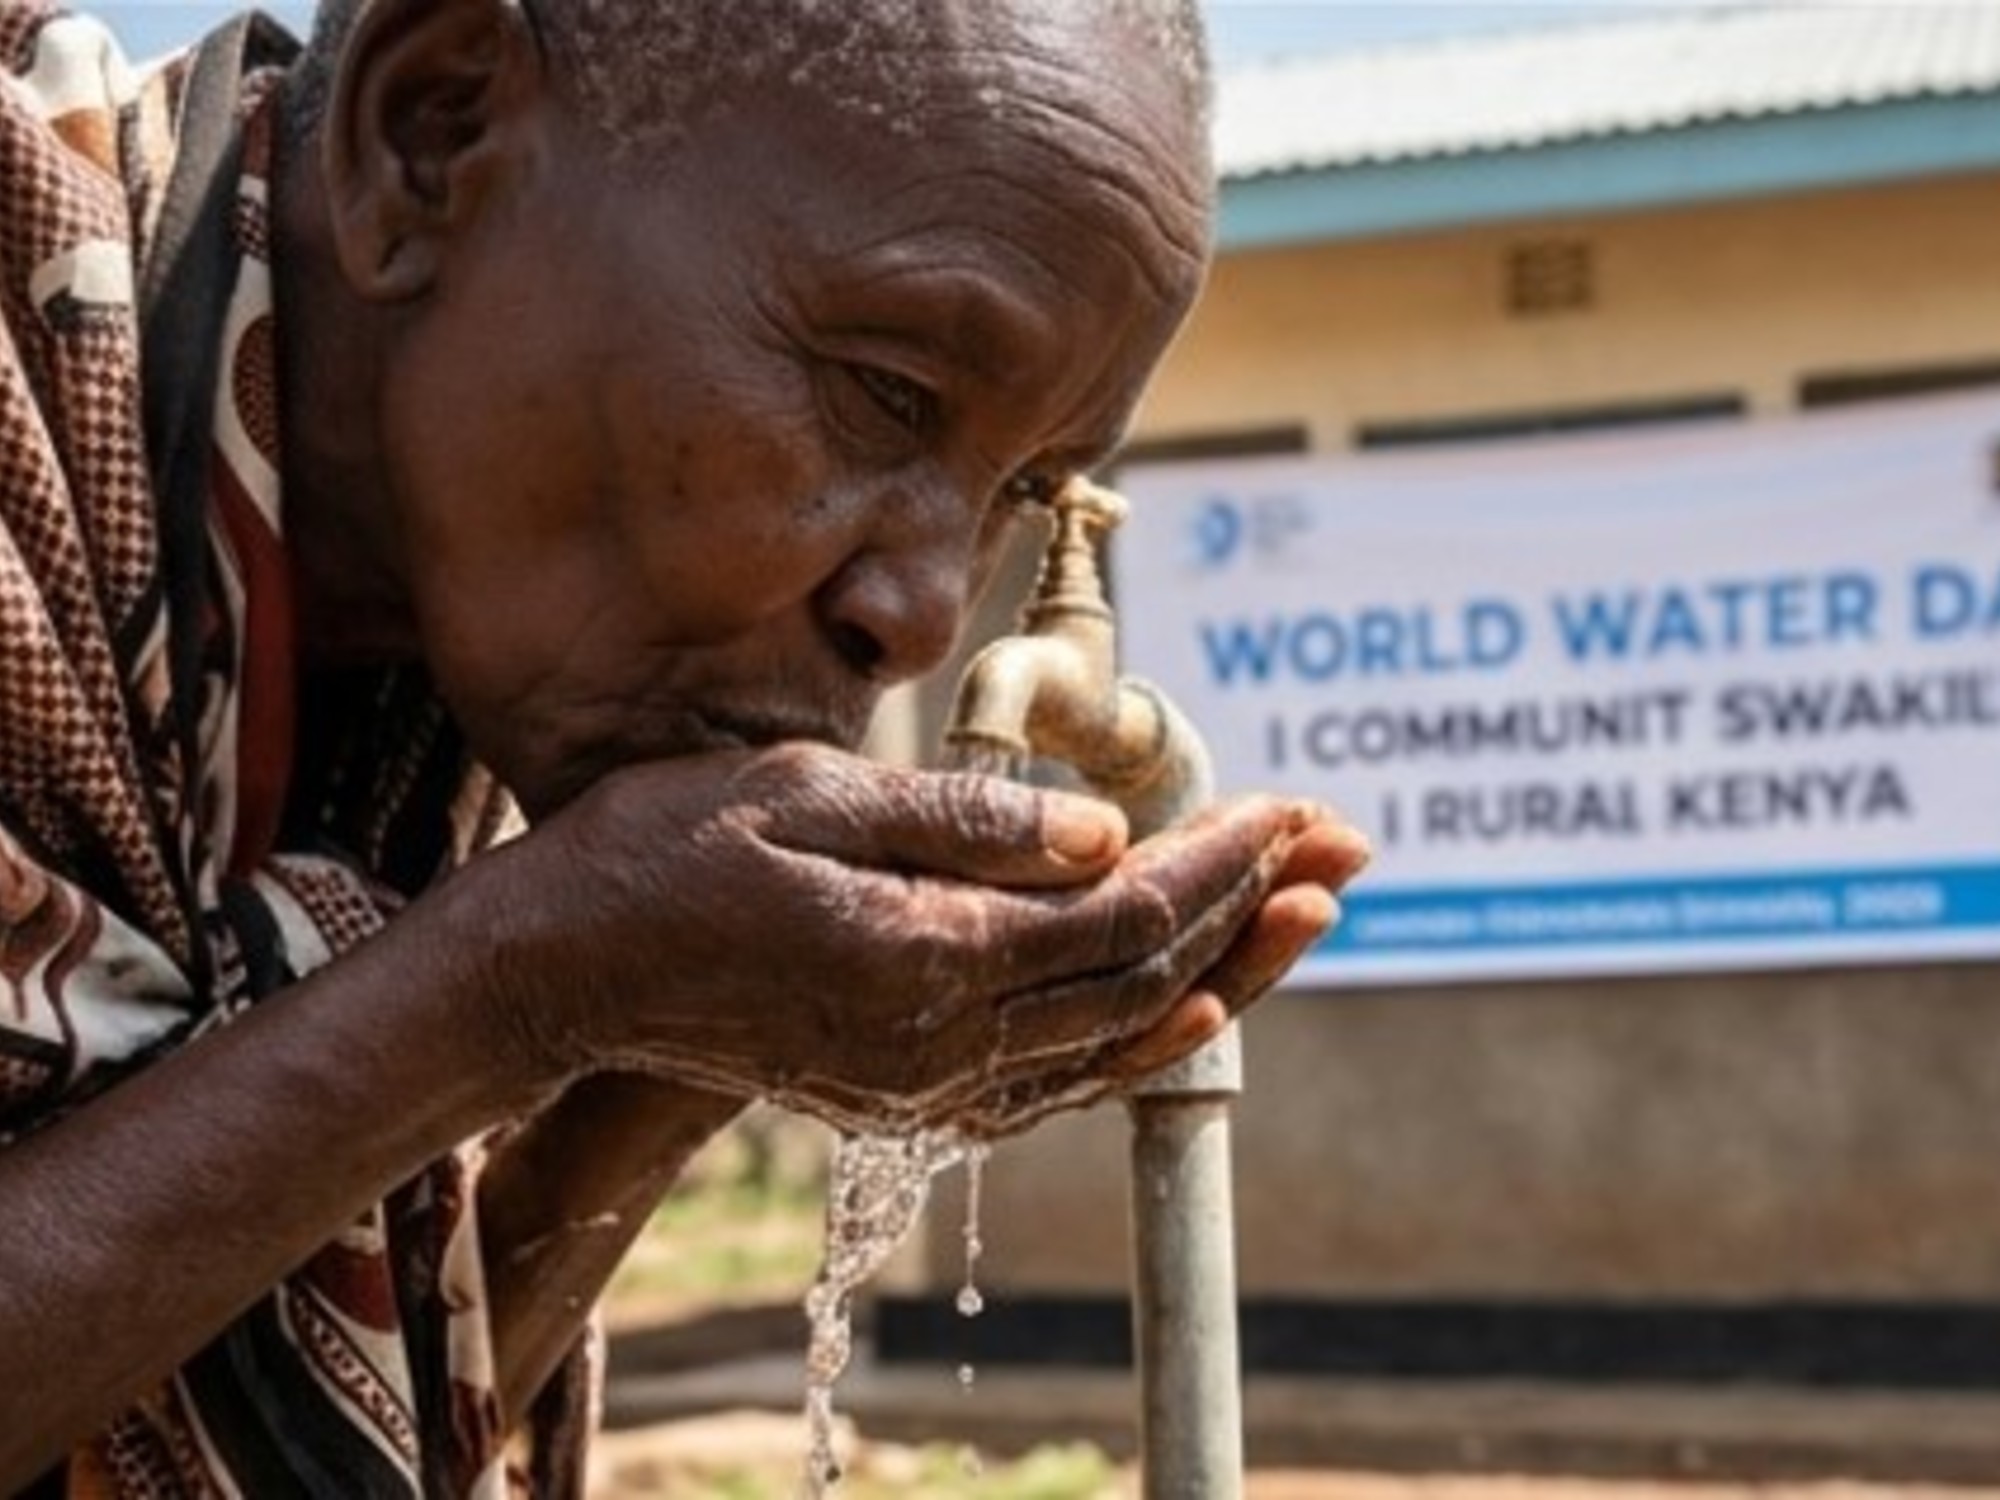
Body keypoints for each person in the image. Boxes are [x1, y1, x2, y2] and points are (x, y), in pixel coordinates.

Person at [0, 0, 1369, 1492]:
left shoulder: (407, 694)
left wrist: (663, 1048)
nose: (922, 614)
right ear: (430, 131)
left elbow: (337, 1421)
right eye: (885, 394)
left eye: (1025, 489)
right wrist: (511, 992)